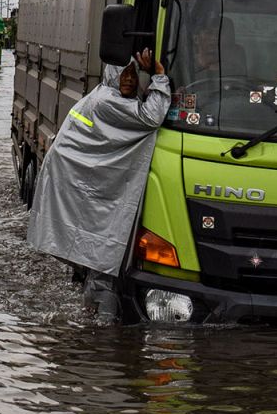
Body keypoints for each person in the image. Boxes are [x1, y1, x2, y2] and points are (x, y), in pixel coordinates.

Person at [27, 48, 171, 299]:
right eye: (123, 73)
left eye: (133, 74)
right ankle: (98, 313)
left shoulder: (108, 95)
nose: (128, 78)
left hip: (76, 177)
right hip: (75, 179)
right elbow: (151, 117)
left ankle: (93, 303)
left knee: (93, 245)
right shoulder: (108, 101)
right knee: (97, 245)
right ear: (111, 76)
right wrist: (158, 75)